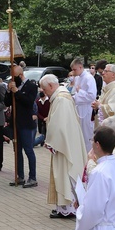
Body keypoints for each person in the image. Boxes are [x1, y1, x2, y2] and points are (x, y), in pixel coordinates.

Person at [40, 74, 87, 219]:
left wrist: (51, 141)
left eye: (44, 89)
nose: (44, 92)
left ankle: (69, 207)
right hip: (67, 142)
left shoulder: (61, 99)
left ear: (51, 86)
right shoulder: (62, 96)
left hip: (64, 145)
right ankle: (63, 207)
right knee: (63, 173)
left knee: (66, 173)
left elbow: (59, 125)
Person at [5, 64, 38, 188]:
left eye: (14, 77)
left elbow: (29, 102)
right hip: (15, 123)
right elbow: (7, 102)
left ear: (20, 75)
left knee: (28, 150)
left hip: (26, 123)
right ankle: (20, 176)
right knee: (17, 150)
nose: (12, 80)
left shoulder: (31, 86)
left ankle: (33, 177)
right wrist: (9, 91)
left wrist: (17, 92)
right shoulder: (14, 86)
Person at [92, 64, 115, 143]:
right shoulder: (109, 89)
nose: (103, 73)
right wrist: (97, 105)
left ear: (113, 74)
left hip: (112, 131)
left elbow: (113, 111)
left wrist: (99, 106)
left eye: (106, 71)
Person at [70, 57, 96, 152]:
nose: (73, 72)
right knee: (78, 133)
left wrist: (79, 92)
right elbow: (75, 93)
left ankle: (88, 155)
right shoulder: (77, 78)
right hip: (78, 108)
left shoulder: (89, 78)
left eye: (74, 69)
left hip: (86, 109)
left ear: (80, 67)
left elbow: (92, 96)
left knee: (86, 134)